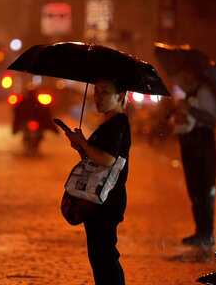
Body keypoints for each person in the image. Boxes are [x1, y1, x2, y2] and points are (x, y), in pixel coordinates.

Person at [64, 79, 131, 285]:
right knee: (100, 255)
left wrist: (84, 143)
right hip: (98, 197)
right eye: (96, 91)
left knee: (105, 256)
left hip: (107, 200)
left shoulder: (118, 123)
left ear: (120, 96)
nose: (97, 96)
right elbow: (97, 161)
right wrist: (81, 147)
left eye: (104, 92)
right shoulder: (109, 123)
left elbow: (108, 159)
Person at [170, 69, 216, 247]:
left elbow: (211, 119)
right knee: (194, 190)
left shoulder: (204, 92)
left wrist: (189, 109)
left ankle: (206, 233)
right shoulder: (189, 93)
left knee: (203, 189)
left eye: (187, 75)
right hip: (189, 144)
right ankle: (200, 231)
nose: (184, 78)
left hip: (202, 145)